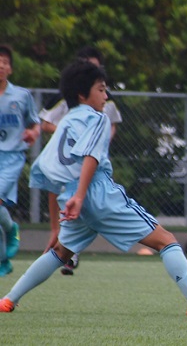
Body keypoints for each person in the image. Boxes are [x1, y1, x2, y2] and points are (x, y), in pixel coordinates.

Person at [0, 60, 187, 317]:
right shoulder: (98, 118)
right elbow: (91, 155)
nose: (106, 95)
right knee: (166, 240)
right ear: (83, 94)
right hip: (97, 193)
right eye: (101, 89)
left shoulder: (67, 122)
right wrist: (81, 196)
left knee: (60, 252)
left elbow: (46, 170)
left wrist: (64, 209)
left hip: (69, 195)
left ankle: (8, 300)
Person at [39, 46, 123, 275]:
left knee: (83, 203)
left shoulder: (105, 102)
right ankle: (58, 236)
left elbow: (111, 126)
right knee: (67, 199)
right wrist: (72, 135)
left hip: (91, 164)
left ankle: (65, 249)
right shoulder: (66, 100)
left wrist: (98, 143)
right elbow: (45, 123)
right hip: (66, 165)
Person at [0, 44, 41, 277]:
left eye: (5, 62)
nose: (1, 65)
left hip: (12, 157)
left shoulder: (22, 96)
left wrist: (33, 133)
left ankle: (11, 229)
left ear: (11, 69)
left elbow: (35, 123)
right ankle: (3, 259)